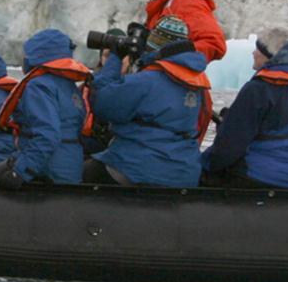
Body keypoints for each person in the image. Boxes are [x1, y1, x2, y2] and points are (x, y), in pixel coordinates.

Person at [83, 16, 210, 187]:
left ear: (154, 45)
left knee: (80, 175)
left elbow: (102, 104)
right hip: (184, 171)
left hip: (140, 168)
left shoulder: (146, 81)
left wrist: (115, 55)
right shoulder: (196, 84)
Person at [202, 26, 288, 189]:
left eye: (258, 49)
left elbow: (229, 145)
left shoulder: (256, 90)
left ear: (270, 56)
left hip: (256, 176)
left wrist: (204, 165)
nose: (254, 53)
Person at [0, 29, 91, 188]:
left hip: (47, 167)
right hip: (70, 166)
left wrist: (21, 172)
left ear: (38, 56)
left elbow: (48, 135)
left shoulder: (40, 85)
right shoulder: (70, 88)